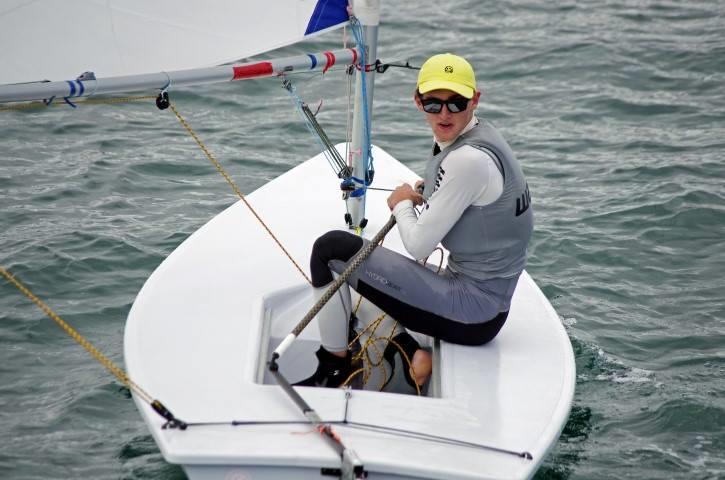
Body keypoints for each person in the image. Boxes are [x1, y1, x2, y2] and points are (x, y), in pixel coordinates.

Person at [295, 53, 533, 389]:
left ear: (475, 99)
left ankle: (333, 369)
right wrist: (431, 192)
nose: (445, 113)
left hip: (472, 313)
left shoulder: (468, 161)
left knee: (331, 251)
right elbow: (478, 203)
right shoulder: (480, 137)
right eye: (433, 104)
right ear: (417, 101)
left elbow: (419, 243)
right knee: (360, 278)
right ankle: (411, 351)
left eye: (457, 102)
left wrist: (401, 204)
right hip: (486, 302)